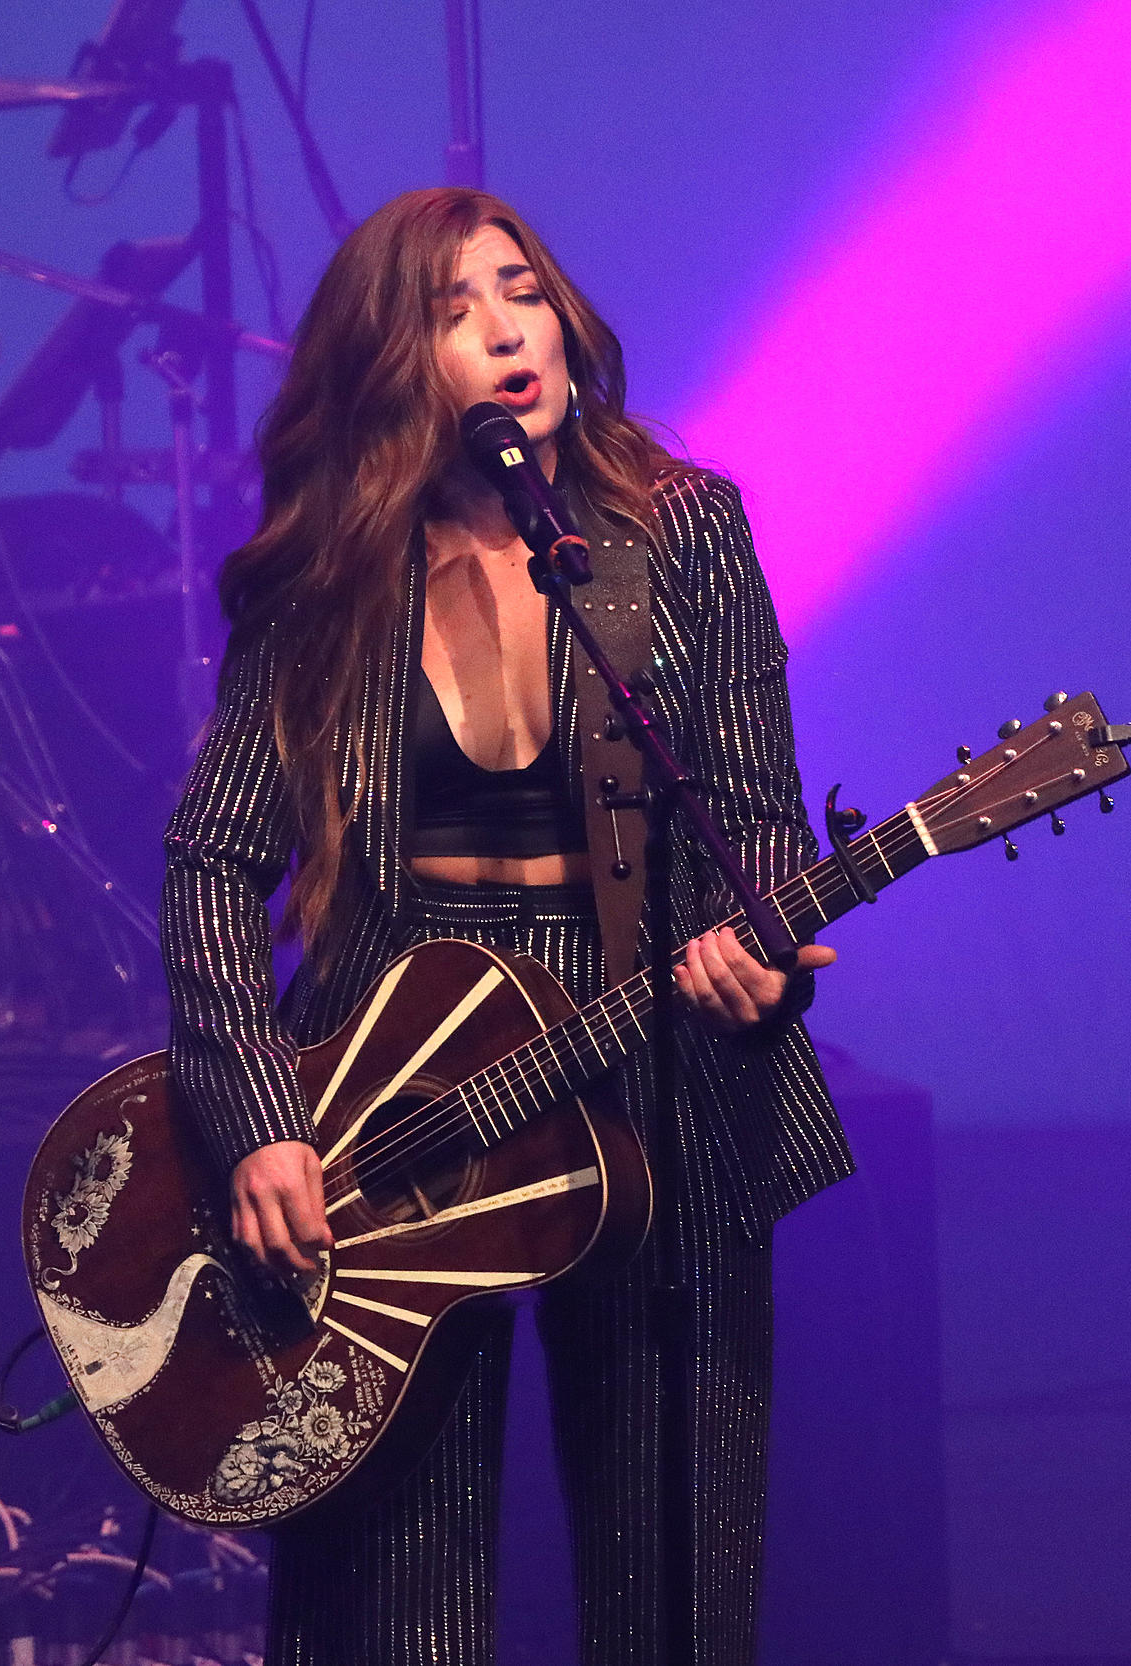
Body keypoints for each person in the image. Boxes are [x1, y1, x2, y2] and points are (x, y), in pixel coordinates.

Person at [164, 186, 855, 1666]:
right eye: (451, 307)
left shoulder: (681, 533)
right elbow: (213, 857)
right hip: (395, 1095)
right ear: (388, 360)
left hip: (648, 1064)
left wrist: (755, 967)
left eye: (521, 290)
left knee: (675, 1584)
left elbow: (757, 819)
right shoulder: (324, 578)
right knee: (392, 1611)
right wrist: (259, 1118)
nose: (502, 329)